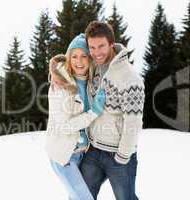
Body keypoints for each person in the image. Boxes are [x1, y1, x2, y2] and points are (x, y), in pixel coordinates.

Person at [51, 21, 145, 200]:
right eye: (92, 48)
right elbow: (70, 61)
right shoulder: (94, 66)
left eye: (101, 46)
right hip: (94, 151)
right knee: (79, 197)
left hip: (118, 155)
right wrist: (55, 73)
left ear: (111, 43)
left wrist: (122, 156)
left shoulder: (129, 78)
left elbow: (133, 122)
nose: (96, 52)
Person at [45, 33, 106, 200]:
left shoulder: (91, 83)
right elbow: (63, 126)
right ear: (68, 59)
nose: (79, 61)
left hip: (83, 154)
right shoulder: (60, 85)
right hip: (64, 155)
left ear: (90, 58)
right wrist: (93, 112)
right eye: (74, 56)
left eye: (83, 56)